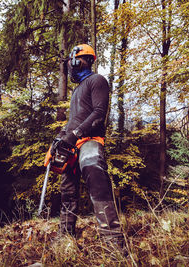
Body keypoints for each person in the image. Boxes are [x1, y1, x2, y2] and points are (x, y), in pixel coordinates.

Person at [49, 44, 123, 247]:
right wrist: (60, 139)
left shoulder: (97, 81)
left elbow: (99, 114)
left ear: (82, 60)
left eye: (74, 61)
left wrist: (75, 134)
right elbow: (74, 120)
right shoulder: (77, 91)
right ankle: (65, 237)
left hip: (90, 140)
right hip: (71, 145)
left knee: (94, 173)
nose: (71, 66)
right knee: (67, 190)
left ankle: (113, 241)